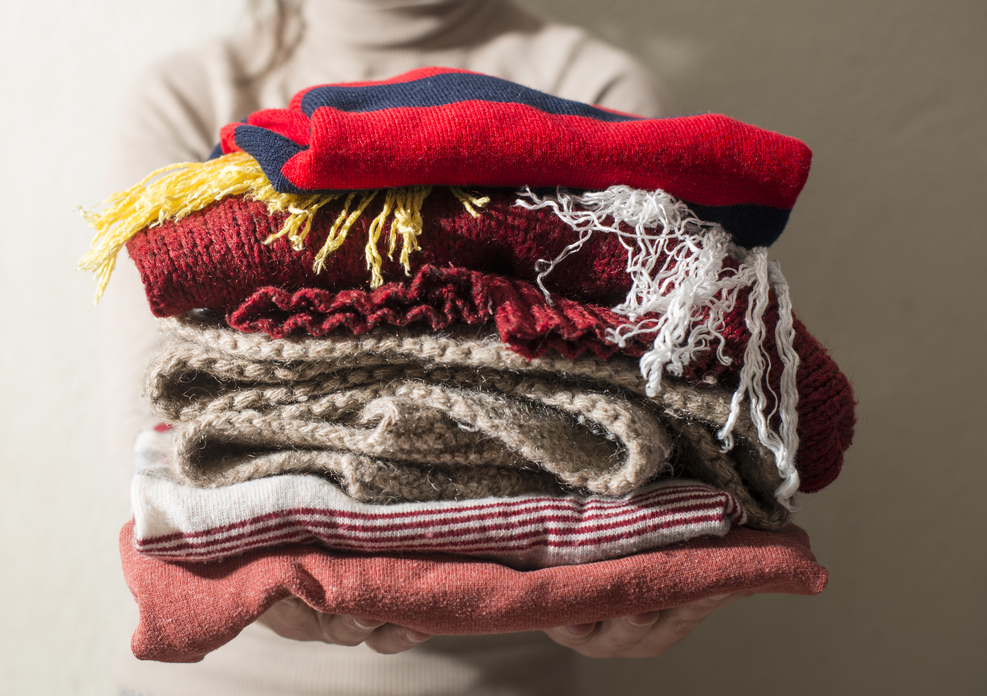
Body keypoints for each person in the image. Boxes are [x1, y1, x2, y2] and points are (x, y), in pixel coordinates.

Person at [103, 2, 737, 694]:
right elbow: (157, 399)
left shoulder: (595, 92)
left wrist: (668, 553)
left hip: (505, 675)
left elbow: (670, 388)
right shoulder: (193, 97)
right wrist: (244, 564)